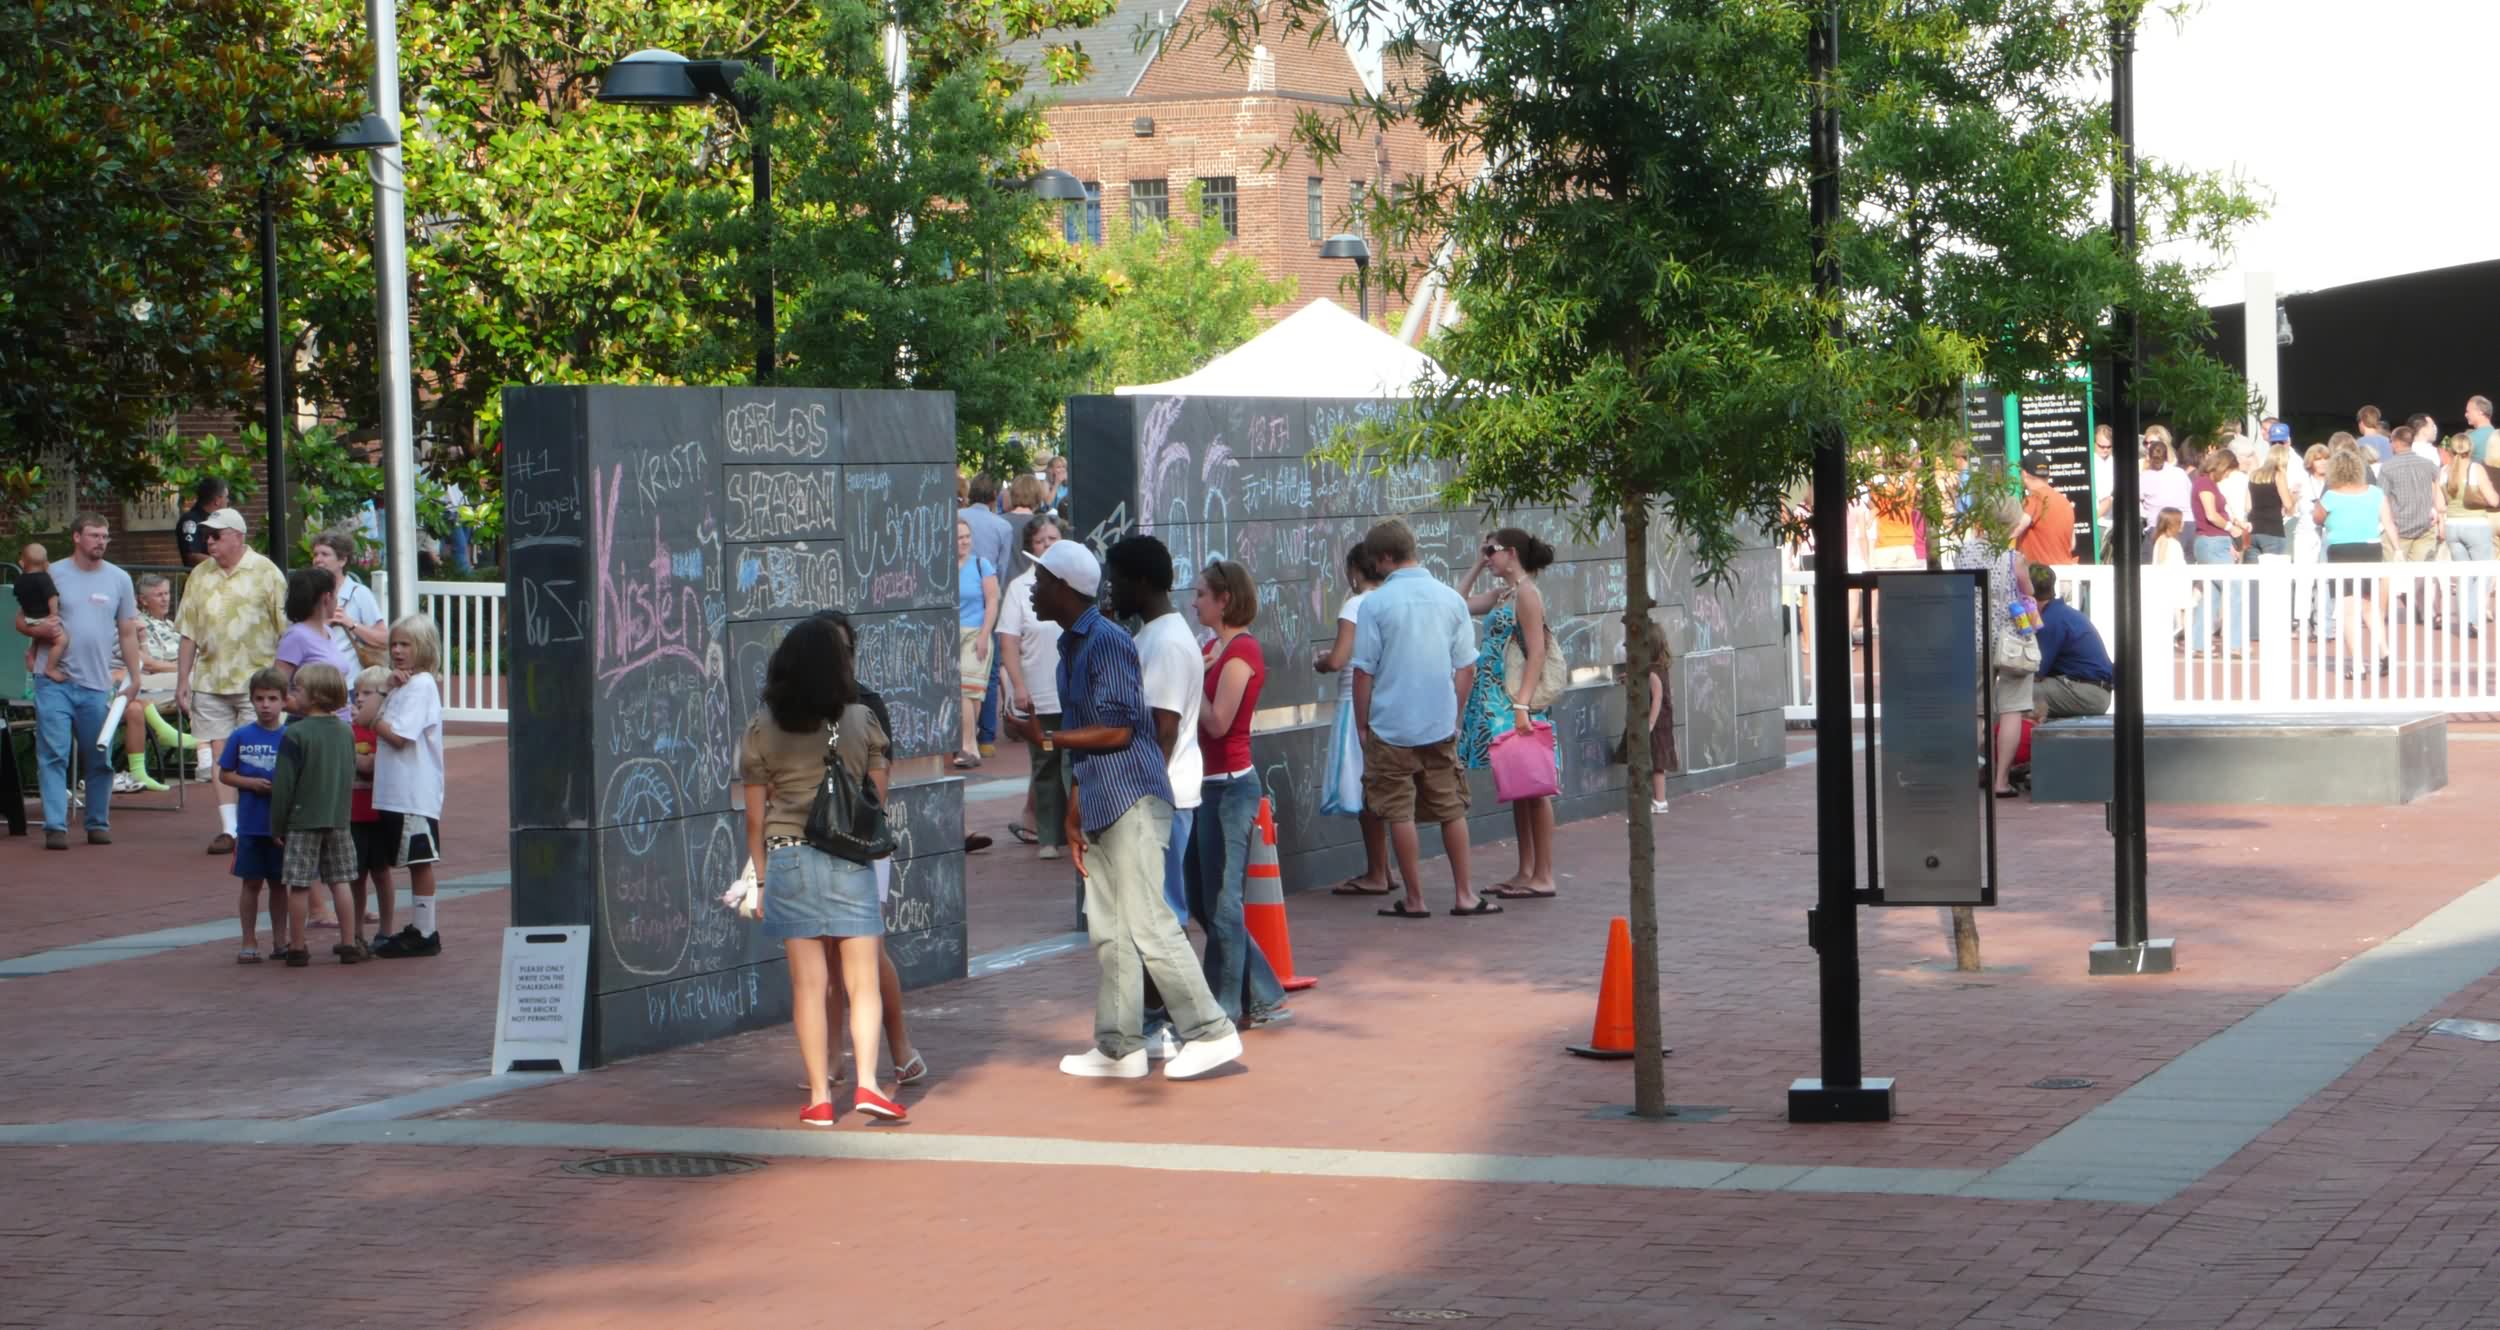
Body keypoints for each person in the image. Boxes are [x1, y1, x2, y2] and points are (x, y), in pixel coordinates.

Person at [1028, 539, 1243, 1082]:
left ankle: (1211, 1032)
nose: (1031, 589)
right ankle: (1120, 1045)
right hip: (1104, 799)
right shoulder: (1075, 646)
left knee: (1149, 922)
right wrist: (1075, 811)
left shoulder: (1107, 643)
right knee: (1111, 929)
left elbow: (1125, 728)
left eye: (1039, 580)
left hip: (1134, 799)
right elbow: (1093, 737)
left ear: (1062, 588)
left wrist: (1050, 740)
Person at [738, 617, 907, 1126]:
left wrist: (762, 879)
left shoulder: (761, 728)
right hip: (848, 858)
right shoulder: (859, 721)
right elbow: (876, 796)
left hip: (788, 857)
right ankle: (869, 1084)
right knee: (862, 982)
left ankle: (818, 1096)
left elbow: (753, 816)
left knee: (809, 985)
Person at [807, 610, 927, 1091]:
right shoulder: (798, 706)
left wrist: (855, 828)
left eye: (842, 648)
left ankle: (900, 1047)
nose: (835, 658)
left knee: (866, 949)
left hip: (859, 840)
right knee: (828, 953)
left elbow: (880, 786)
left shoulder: (867, 705)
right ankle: (833, 1056)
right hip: (812, 841)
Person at [1351, 518, 1491, 919]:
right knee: (1451, 808)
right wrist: (1456, 714)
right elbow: (1466, 667)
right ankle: (1465, 894)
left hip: (1390, 725)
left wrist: (1362, 724)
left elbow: (1364, 670)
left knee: (1398, 811)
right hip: (1439, 724)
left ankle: (1415, 899)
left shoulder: (1374, 604)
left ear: (1385, 558)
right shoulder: (1451, 600)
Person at [1106, 537, 1212, 1052]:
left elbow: (1163, 729)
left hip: (1162, 796)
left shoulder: (1167, 642)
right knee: (1153, 915)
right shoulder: (1154, 635)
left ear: (1142, 582)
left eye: (1118, 579)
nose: (1113, 589)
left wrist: (1142, 798)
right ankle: (1158, 1020)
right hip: (1162, 792)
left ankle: (1177, 1024)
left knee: (1161, 917)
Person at [1187, 558, 1288, 1027]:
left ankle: (1223, 1007)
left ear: (1224, 600)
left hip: (1229, 789)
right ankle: (1264, 991)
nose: (1194, 602)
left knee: (1223, 905)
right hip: (1206, 786)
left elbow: (1217, 721)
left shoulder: (1241, 652)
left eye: (1201, 595)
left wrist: (1190, 679)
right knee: (1203, 900)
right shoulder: (1215, 648)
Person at [15, 513, 143, 851]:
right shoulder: (51, 572)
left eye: (105, 536)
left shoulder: (119, 579)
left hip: (96, 682)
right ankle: (55, 826)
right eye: (93, 535)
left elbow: (128, 631)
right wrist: (35, 631)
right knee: (53, 754)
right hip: (52, 680)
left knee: (99, 757)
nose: (101, 541)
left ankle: (97, 822)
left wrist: (135, 676)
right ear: (76, 537)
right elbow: (21, 619)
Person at [174, 506, 288, 856]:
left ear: (238, 536)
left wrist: (283, 681)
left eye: (216, 535)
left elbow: (285, 628)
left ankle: (266, 823)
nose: (208, 541)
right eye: (207, 535)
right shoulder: (200, 575)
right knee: (222, 755)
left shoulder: (266, 572)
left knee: (260, 753)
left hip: (258, 683)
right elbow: (188, 631)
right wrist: (183, 680)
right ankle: (230, 829)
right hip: (210, 679)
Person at [1458, 527, 1559, 901]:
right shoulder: (1506, 594)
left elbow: (1537, 652)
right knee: (1520, 785)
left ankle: (1544, 873)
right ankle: (1525, 870)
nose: (1489, 557)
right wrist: (1476, 563)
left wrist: (1522, 706)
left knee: (1535, 785)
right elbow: (1457, 603)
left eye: (1492, 550)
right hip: (1500, 702)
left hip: (1516, 702)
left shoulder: (1527, 594)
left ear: (1511, 552)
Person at [1316, 543, 1397, 897]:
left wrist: (1320, 661)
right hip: (1387, 701)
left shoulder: (1356, 604)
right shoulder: (1393, 600)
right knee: (1382, 787)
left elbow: (1338, 659)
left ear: (1354, 571)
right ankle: (1387, 869)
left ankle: (1377, 872)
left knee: (1366, 789)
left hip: (1356, 701)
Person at [269, 663, 361, 968]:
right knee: (341, 881)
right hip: (337, 817)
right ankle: (349, 942)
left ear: (315, 694)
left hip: (302, 819)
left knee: (299, 884)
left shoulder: (295, 733)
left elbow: (283, 784)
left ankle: (296, 945)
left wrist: (278, 823)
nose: (292, 693)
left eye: (297, 688)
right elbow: (349, 773)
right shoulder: (346, 732)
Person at [369, 614, 447, 959]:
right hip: (393, 790)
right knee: (406, 859)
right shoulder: (401, 685)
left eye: (406, 645)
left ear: (424, 648)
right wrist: (385, 689)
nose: (398, 651)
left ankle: (427, 929)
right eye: (395, 644)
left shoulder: (421, 685)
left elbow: (400, 736)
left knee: (419, 860)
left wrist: (375, 721)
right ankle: (418, 925)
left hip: (413, 791)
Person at [997, 516, 1069, 858]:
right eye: (1041, 540)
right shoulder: (1019, 589)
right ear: (1031, 546)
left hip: (1072, 693)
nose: (1048, 545)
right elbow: (1009, 641)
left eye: (1054, 538)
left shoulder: (1074, 583)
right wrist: (1018, 686)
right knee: (1045, 765)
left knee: (1074, 764)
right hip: (1038, 691)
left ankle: (1076, 831)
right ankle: (1048, 838)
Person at [1954, 497, 2029, 798]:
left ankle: (1969, 773)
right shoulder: (2014, 558)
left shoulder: (1963, 553)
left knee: (1975, 709)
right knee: (2011, 708)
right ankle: (2000, 780)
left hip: (1973, 637)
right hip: (2010, 641)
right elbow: (2029, 591)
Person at [219, 669, 290, 963]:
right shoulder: (241, 735)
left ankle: (280, 940)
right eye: (260, 698)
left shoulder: (291, 737)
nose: (266, 705)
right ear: (251, 700)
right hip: (249, 825)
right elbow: (225, 774)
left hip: (280, 825)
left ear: (284, 701)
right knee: (250, 883)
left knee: (279, 884)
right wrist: (250, 784)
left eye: (272, 698)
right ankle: (248, 940)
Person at [2314, 449, 2395, 678]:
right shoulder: (2375, 492)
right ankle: (2383, 651)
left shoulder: (2331, 495)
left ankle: (2357, 664)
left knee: (2349, 609)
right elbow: (2388, 522)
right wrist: (2397, 548)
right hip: (2370, 547)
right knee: (2369, 605)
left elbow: (2317, 518)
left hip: (2343, 549)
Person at [111, 573, 183, 793]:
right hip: (141, 682)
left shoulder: (170, 624)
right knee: (196, 681)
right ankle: (202, 751)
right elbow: (146, 663)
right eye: (158, 594)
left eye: (167, 593)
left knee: (134, 707)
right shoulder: (123, 631)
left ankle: (140, 771)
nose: (165, 599)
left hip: (137, 684)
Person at [958, 474, 1016, 752]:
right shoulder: (1002, 526)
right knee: (989, 670)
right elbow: (1002, 569)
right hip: (986, 598)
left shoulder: (957, 516)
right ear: (995, 497)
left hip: (961, 600)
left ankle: (962, 737)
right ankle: (987, 738)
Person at [2029, 563, 2112, 721]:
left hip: (2088, 693)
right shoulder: (2062, 613)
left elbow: (2035, 672)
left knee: (2011, 694)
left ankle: (1992, 740)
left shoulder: (2050, 621)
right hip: (2094, 690)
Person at [349, 666, 396, 943]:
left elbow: (369, 766)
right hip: (352, 814)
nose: (359, 698)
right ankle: (354, 931)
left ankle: (386, 929)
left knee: (381, 873)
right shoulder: (349, 729)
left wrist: (346, 755)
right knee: (355, 876)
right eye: (357, 692)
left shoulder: (382, 731)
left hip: (378, 813)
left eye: (367, 693)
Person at [2440, 433, 2499, 639]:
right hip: (2476, 525)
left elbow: (2440, 504)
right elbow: (2493, 500)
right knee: (2483, 573)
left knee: (2463, 576)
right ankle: (2473, 619)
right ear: (2470, 449)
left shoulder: (2444, 472)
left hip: (2452, 526)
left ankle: (2464, 619)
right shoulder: (2476, 469)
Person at [952, 518, 999, 770]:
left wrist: (984, 635)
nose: (965, 541)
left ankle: (968, 746)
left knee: (967, 690)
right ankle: (970, 743)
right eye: (959, 537)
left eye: (967, 536)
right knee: (971, 693)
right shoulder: (945, 567)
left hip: (975, 633)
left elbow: (992, 601)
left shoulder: (982, 565)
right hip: (951, 635)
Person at [1619, 615, 1678, 814]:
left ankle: (1659, 801)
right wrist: (1630, 679)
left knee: (1656, 762)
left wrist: (1650, 723)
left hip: (1655, 724)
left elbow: (1657, 697)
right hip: (1660, 722)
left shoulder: (1652, 673)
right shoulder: (1657, 668)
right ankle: (1656, 799)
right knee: (1655, 762)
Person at [2189, 448, 2246, 652]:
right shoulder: (2204, 484)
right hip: (2212, 542)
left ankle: (2198, 643)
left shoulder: (2208, 484)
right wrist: (2232, 529)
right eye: (2229, 471)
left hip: (2214, 542)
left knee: (2212, 594)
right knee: (2235, 589)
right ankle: (2234, 643)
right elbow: (2211, 515)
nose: (2228, 476)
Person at [274, 568, 356, 705]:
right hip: (312, 723)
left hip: (339, 720)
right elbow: (276, 689)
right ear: (327, 597)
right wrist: (311, 711)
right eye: (336, 595)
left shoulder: (328, 632)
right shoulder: (296, 636)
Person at [310, 533, 387, 664]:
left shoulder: (359, 593)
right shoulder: (308, 591)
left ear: (342, 560)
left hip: (351, 680)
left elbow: (384, 639)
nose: (318, 559)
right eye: (315, 554)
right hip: (314, 677)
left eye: (325, 554)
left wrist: (350, 623)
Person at [14, 542, 67, 684]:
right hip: (44, 618)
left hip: (29, 617)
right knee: (61, 641)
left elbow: (19, 597)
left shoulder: (19, 580)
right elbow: (52, 597)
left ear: (22, 563)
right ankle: (50, 668)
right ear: (46, 564)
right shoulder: (44, 578)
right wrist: (54, 614)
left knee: (39, 636)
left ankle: (31, 653)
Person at [2013, 458, 2077, 567]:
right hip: (2065, 573)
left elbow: (2016, 529)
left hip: (2040, 575)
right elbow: (2072, 544)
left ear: (2024, 474)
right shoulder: (2065, 502)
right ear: (2048, 475)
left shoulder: (2034, 499)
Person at [2137, 429, 2194, 550]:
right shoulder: (2180, 473)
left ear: (2149, 456)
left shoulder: (2145, 477)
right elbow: (2190, 494)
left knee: (2152, 565)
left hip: (2160, 526)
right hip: (2187, 524)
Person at [175, 477, 228, 570]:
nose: (228, 501)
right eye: (226, 497)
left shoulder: (218, 520)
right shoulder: (191, 521)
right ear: (217, 501)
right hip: (200, 579)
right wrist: (223, 564)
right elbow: (191, 556)